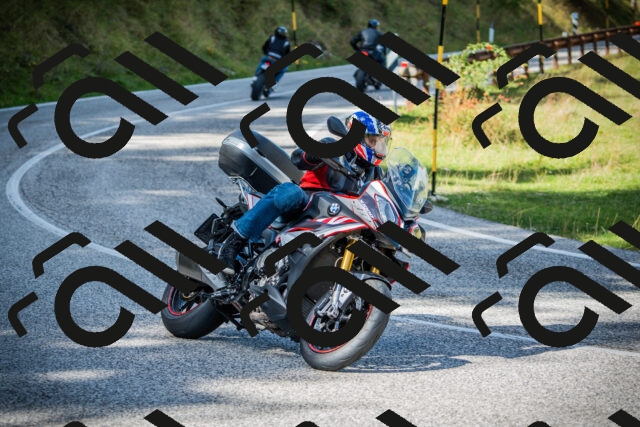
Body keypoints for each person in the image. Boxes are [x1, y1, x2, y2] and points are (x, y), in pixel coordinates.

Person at [218, 111, 392, 275]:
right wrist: (314, 153)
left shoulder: (375, 173)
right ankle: (234, 242)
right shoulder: (334, 146)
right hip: (309, 204)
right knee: (290, 193)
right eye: (373, 140)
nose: (378, 146)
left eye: (381, 142)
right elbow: (297, 158)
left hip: (342, 220)